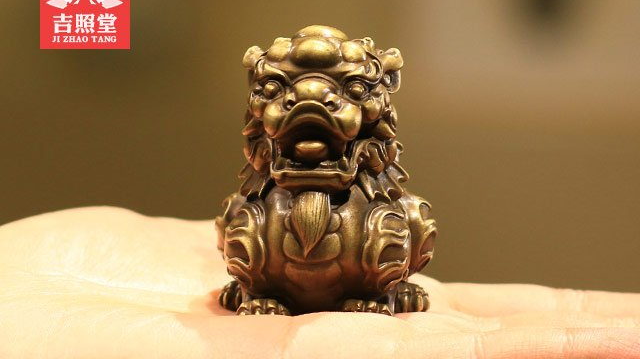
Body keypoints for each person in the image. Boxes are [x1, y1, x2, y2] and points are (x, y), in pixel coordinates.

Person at [0, 207, 638, 358]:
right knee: (243, 221)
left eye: (344, 91)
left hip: (364, 266)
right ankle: (260, 290)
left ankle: (381, 287)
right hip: (270, 271)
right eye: (282, 90)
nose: (312, 103)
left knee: (403, 221)